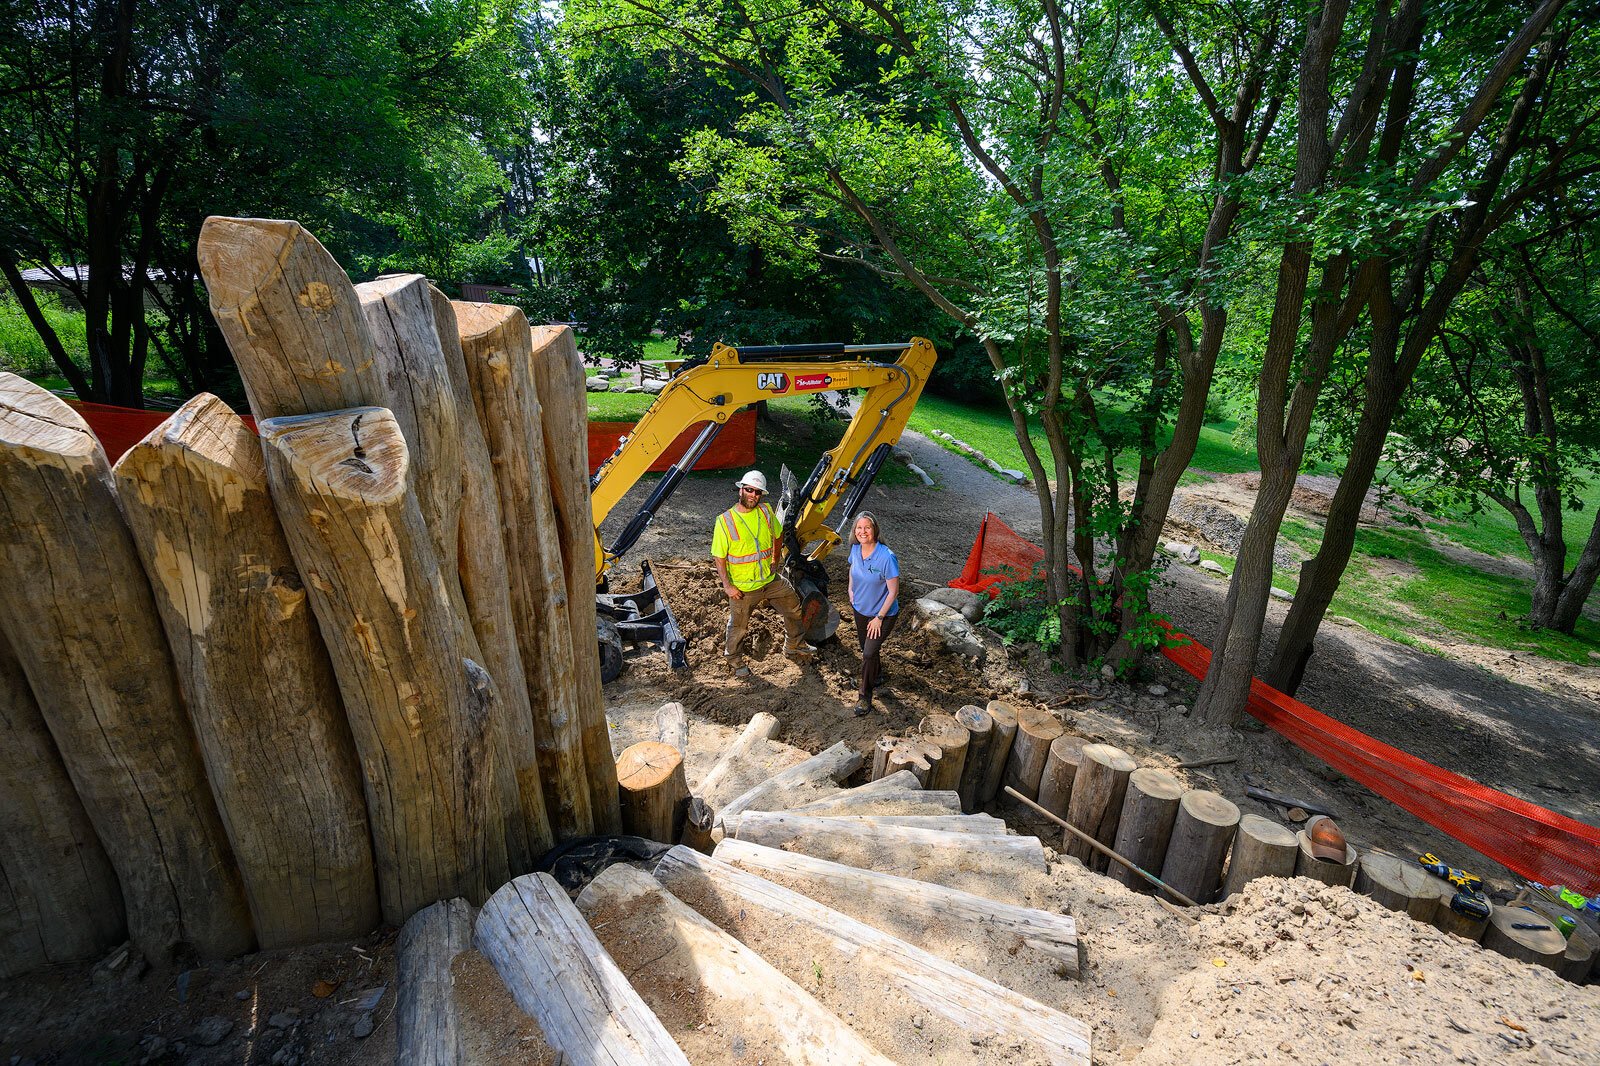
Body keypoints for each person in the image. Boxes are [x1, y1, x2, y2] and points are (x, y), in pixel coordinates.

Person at [711, 470, 816, 678]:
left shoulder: (766, 512)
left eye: (758, 492)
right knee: (739, 626)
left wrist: (776, 558)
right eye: (749, 490)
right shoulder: (725, 521)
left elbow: (778, 535)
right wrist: (727, 586)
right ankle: (733, 659)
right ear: (741, 489)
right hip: (743, 588)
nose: (753, 495)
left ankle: (793, 645)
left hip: (770, 580)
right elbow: (719, 557)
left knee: (794, 608)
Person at [847, 511, 900, 715]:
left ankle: (864, 696)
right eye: (859, 528)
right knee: (866, 648)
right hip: (860, 608)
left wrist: (879, 617)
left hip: (882, 614)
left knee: (868, 653)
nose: (863, 532)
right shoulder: (854, 549)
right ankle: (876, 676)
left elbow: (894, 592)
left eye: (867, 528)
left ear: (875, 530)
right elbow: (852, 570)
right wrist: (851, 589)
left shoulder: (886, 557)